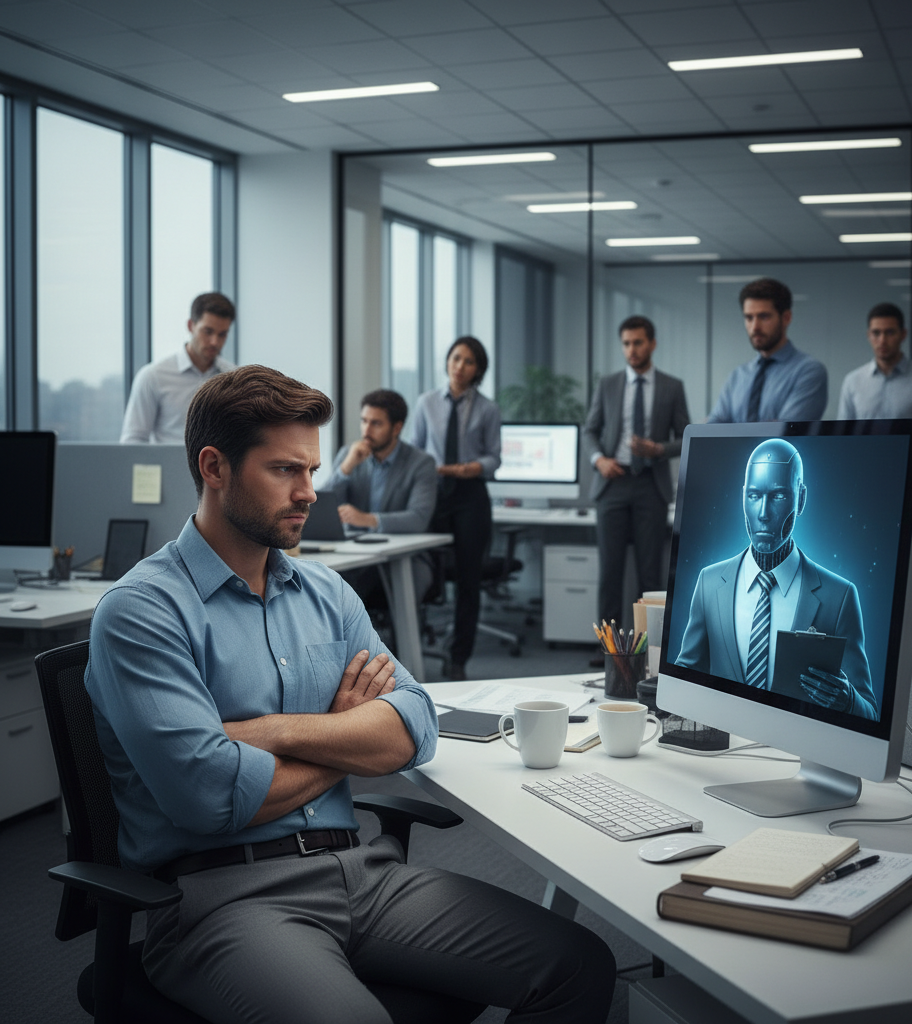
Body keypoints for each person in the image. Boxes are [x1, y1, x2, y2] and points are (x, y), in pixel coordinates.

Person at [85, 364, 614, 1024]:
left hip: (361, 873)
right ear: (214, 468)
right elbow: (209, 795)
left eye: (311, 470)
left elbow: (417, 725)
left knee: (580, 966)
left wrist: (279, 730)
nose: (312, 492)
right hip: (222, 900)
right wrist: (347, 734)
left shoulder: (327, 594)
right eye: (286, 471)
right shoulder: (143, 612)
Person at [675, 438, 877, 721]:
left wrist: (847, 701)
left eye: (779, 496)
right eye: (754, 496)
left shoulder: (839, 597)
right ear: (743, 496)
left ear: (801, 498)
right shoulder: (709, 583)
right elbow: (684, 680)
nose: (763, 514)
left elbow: (871, 715)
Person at [583, 315, 690, 628]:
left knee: (650, 572)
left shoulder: (672, 387)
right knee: (610, 571)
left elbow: (686, 435)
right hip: (612, 482)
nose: (631, 349)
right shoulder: (608, 384)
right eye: (626, 343)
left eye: (638, 342)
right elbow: (589, 431)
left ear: (652, 344)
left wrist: (658, 450)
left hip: (650, 485)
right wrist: (599, 459)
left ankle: (648, 646)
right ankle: (608, 648)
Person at [409, 337, 501, 682]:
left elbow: (495, 457)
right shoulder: (426, 403)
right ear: (447, 361)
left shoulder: (487, 409)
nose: (460, 366)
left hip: (469, 493)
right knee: (421, 570)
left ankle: (458, 656)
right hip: (432, 493)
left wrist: (471, 468)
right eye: (456, 358)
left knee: (468, 579)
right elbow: (416, 451)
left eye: (469, 361)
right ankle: (411, 646)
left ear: (478, 370)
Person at [322, 388, 437, 606]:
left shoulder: (421, 463)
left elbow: (419, 518)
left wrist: (368, 519)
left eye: (376, 423)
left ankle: (400, 640)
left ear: (397, 428)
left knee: (403, 592)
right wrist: (346, 468)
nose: (367, 430)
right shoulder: (351, 455)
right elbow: (322, 506)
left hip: (406, 559)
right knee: (328, 590)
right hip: (357, 554)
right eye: (364, 421)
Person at [120, 292, 236, 443]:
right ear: (191, 326)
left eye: (222, 334)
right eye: (208, 332)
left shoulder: (233, 378)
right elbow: (133, 440)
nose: (215, 342)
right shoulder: (153, 376)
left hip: (216, 465)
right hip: (167, 465)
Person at [708, 278, 827, 423]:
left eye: (763, 317)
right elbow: (713, 428)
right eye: (749, 318)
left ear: (786, 318)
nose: (754, 327)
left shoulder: (808, 371)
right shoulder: (738, 376)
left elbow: (786, 432)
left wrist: (732, 433)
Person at [837, 302, 912, 443]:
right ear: (868, 335)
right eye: (876, 333)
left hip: (911, 463)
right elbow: (842, 435)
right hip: (864, 462)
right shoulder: (853, 381)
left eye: (889, 332)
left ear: (903, 334)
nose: (882, 340)